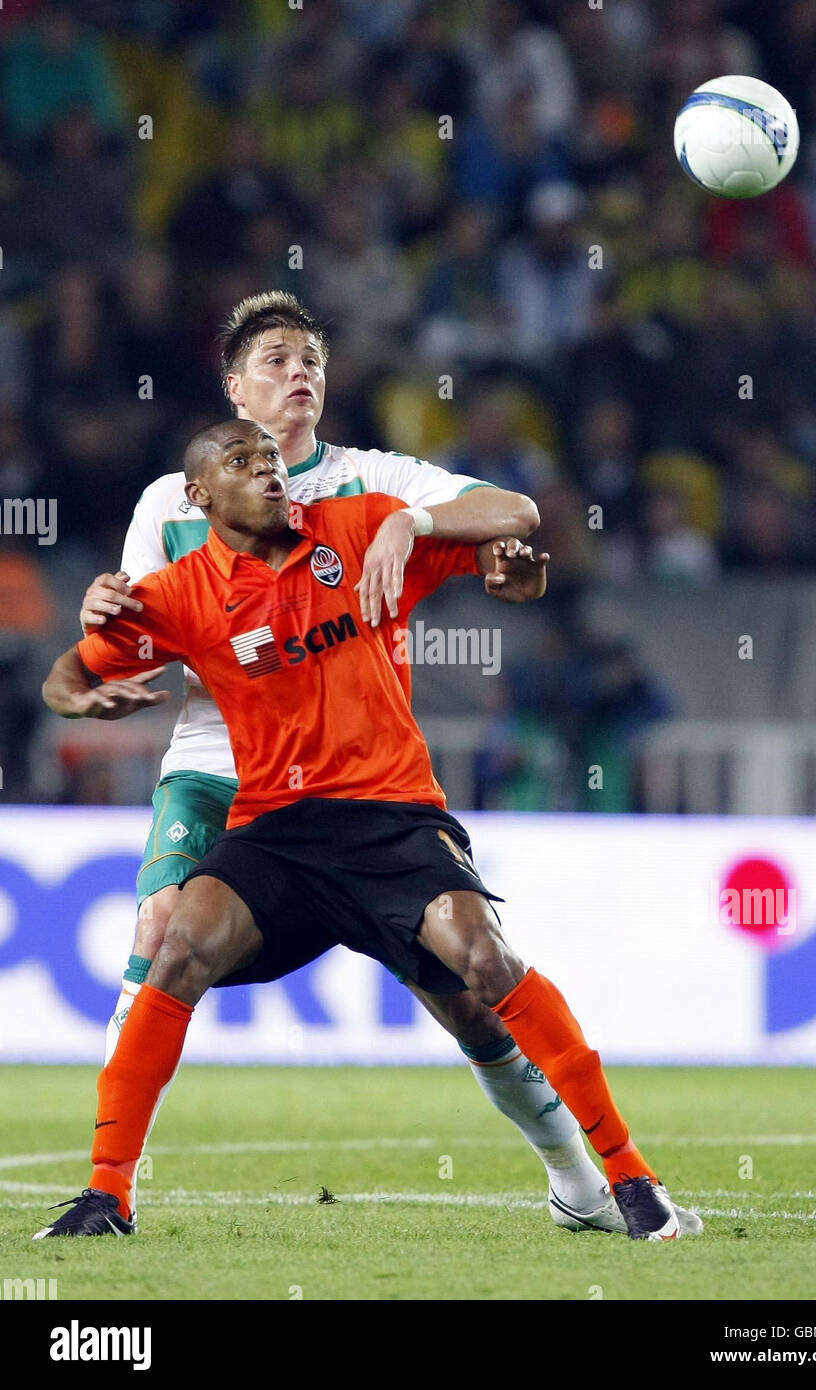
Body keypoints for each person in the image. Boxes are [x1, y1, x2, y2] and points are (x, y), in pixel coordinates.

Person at [79, 291, 653, 1236]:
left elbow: (505, 515)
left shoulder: (372, 478)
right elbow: (134, 635)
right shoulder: (164, 504)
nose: (298, 372)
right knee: (159, 929)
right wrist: (109, 642)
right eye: (274, 359)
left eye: (310, 358)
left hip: (356, 780)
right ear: (233, 387)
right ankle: (111, 1190)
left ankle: (574, 1180)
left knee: (468, 1002)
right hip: (218, 760)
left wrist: (431, 531)